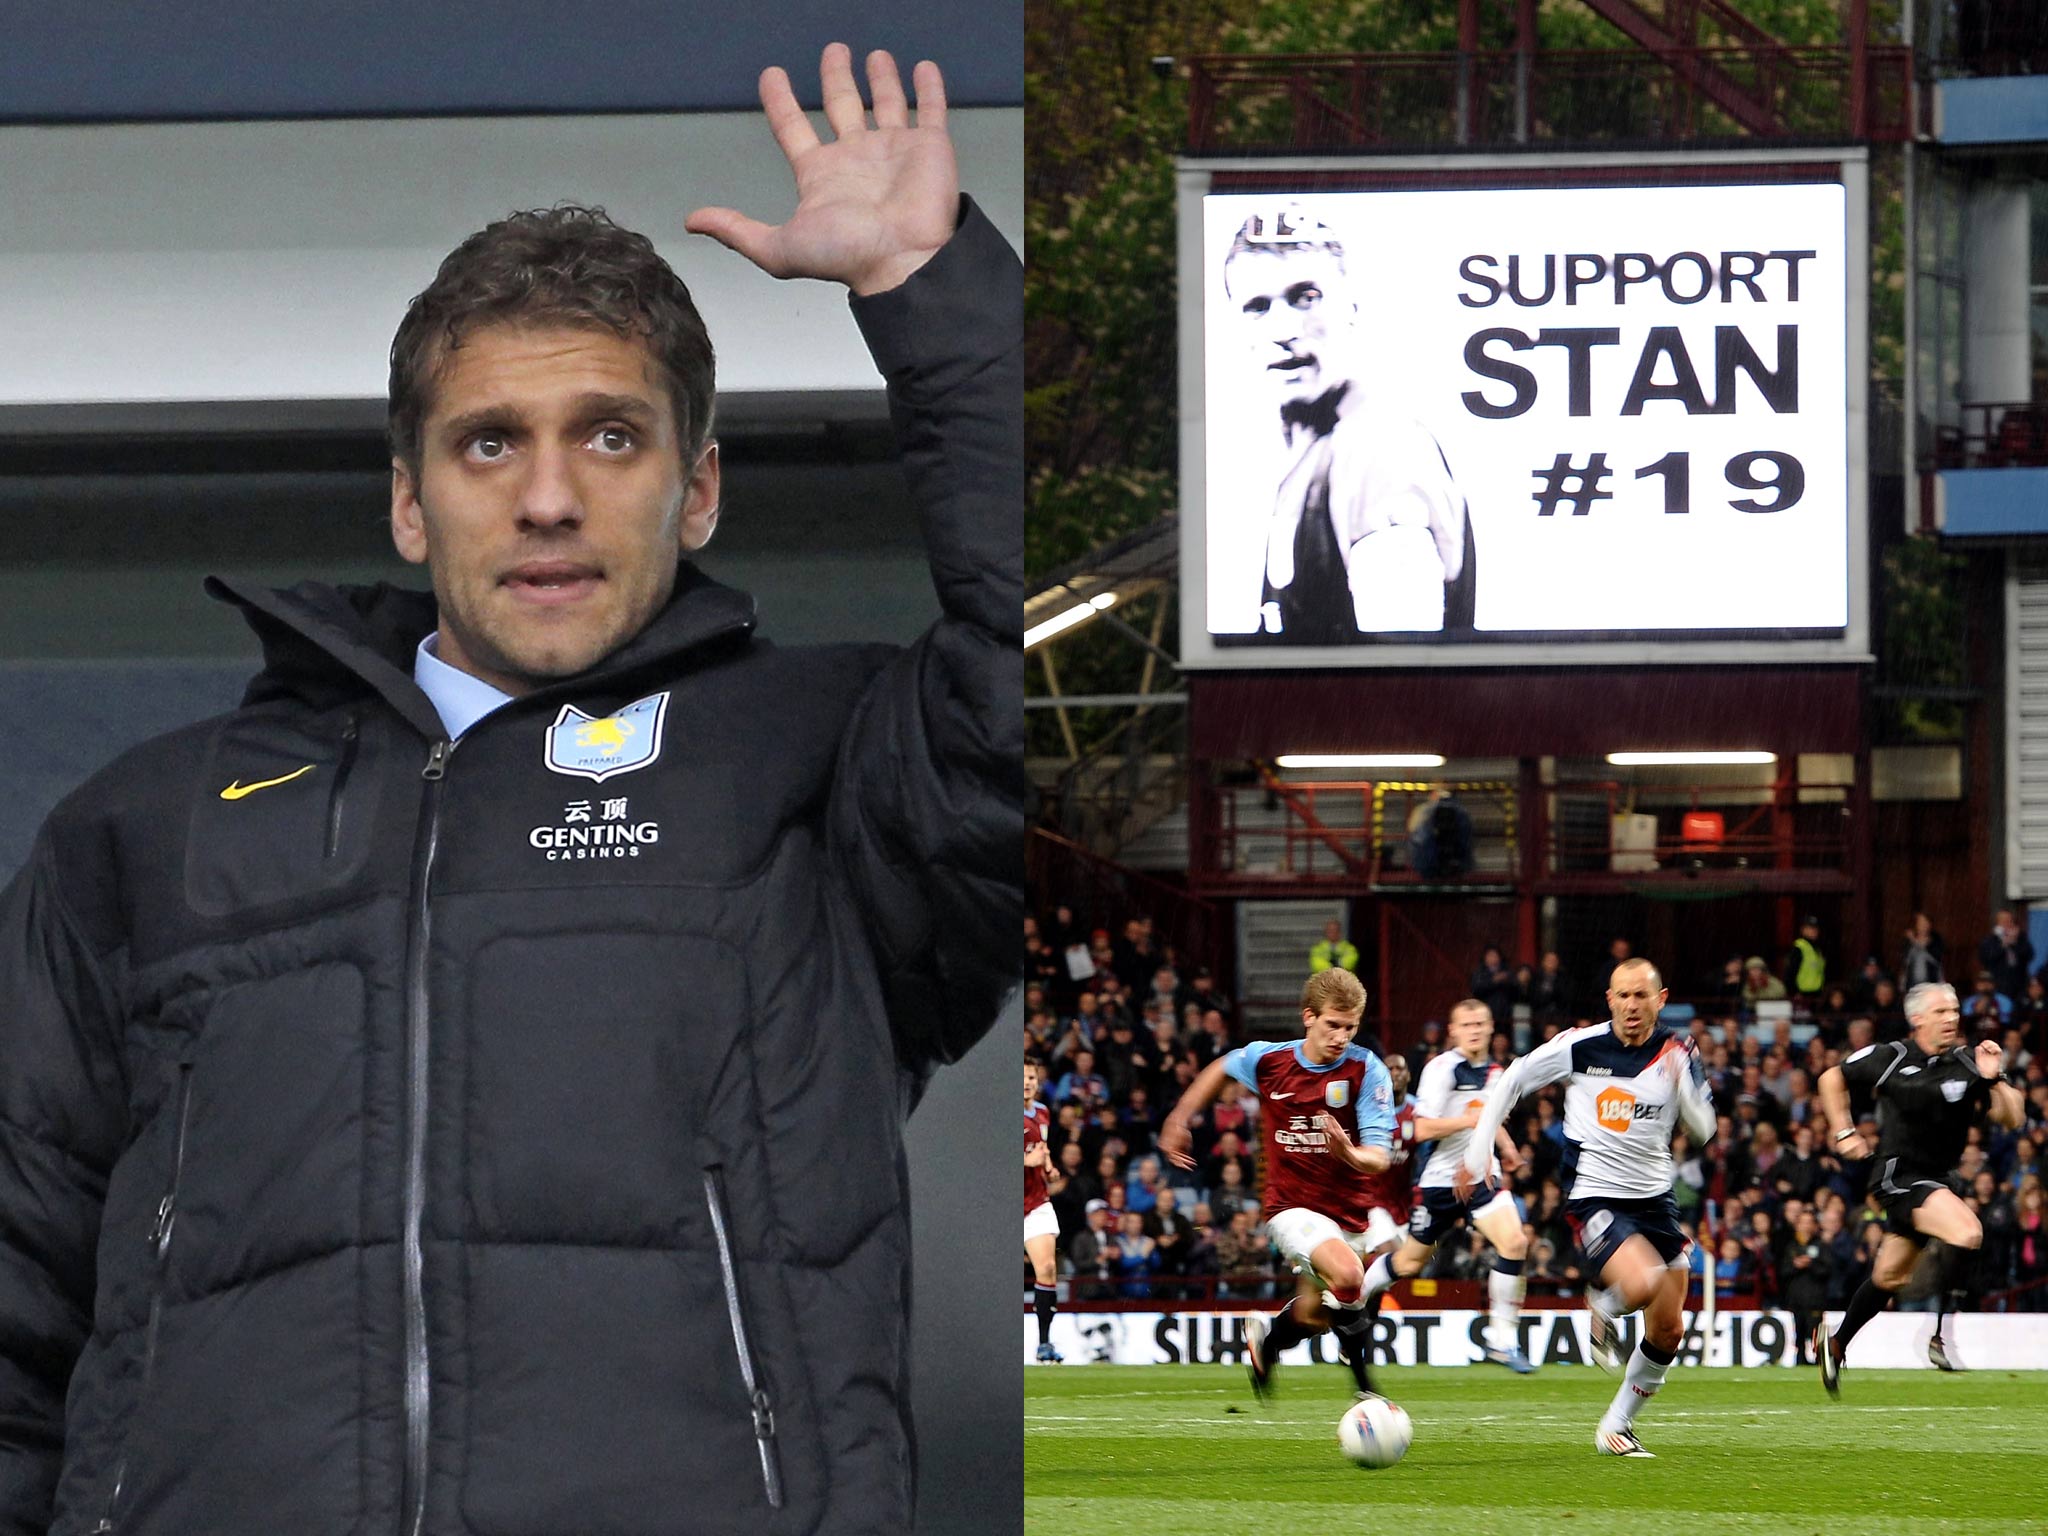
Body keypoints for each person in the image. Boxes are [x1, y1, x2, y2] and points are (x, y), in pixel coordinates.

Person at [0, 47, 1019, 1536]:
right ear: (411, 502)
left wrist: (933, 295)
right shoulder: (141, 830)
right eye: (491, 442)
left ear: (704, 486)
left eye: (612, 435)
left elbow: (1023, 689)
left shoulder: (834, 762)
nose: (550, 497)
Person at [1463, 959, 1717, 1457]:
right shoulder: (1581, 1046)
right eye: (1622, 996)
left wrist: (1683, 1088)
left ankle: (1616, 1427)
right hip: (1594, 1195)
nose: (1631, 1006)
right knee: (1641, 1283)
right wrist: (1479, 1149)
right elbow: (1514, 1077)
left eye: (1641, 997)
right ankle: (1602, 1306)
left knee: (1669, 1327)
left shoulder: (1678, 1050)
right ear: (1610, 998)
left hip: (1654, 1199)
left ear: (1660, 999)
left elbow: (1705, 1130)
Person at [1220, 206, 1476, 642]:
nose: (1282, 327)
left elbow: (1399, 662)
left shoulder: (1378, 448)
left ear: (1351, 307)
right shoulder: (1317, 450)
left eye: (1306, 297)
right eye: (1257, 307)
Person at [1159, 967, 1395, 1402]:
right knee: (1349, 1276)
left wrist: (1351, 1155)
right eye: (1332, 1025)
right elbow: (1223, 1065)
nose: (1341, 1036)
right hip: (1291, 1208)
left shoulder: (1367, 1071)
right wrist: (1179, 1116)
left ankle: (1268, 1342)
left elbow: (1380, 1154)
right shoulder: (1271, 1061)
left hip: (1348, 1212)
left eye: (1350, 1027)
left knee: (1313, 1315)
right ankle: (1367, 1391)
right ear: (1309, 1016)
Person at [1814, 982, 2026, 1391]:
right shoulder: (1890, 1057)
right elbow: (1830, 1078)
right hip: (1898, 1175)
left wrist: (1995, 1077)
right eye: (1942, 1011)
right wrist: (1844, 1132)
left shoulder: (1967, 1061)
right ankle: (1938, 1335)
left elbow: (2013, 1119)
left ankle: (1836, 1343)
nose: (1952, 1018)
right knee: (1968, 1232)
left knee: (1889, 1277)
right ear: (1917, 1019)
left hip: (1938, 1179)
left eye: (1954, 1011)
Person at [1358, 1000, 1536, 1372]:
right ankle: (1356, 1294)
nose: (1474, 1029)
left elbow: (1489, 1117)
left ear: (1491, 1029)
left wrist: (1507, 1149)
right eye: (1466, 1024)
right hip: (1439, 1181)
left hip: (1481, 1179)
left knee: (1515, 1241)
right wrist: (1468, 1122)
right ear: (1453, 1031)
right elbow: (1421, 1129)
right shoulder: (1441, 1069)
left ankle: (1501, 1340)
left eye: (1480, 1023)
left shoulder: (1496, 1073)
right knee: (1408, 1263)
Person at [1025, 1059, 1066, 1364]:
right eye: (1022, 1077)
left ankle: (1044, 1343)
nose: (1027, 1083)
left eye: (1031, 1077)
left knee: (1048, 1269)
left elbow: (1042, 1149)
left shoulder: (1042, 1113)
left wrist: (1049, 1168)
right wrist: (1026, 1163)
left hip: (1036, 1201)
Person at [1978, 909, 2034, 1004]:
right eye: (2005, 921)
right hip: (1999, 983)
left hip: (2020, 983)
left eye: (2010, 921)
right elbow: (1986, 958)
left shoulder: (2020, 938)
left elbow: (2029, 955)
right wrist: (2003, 945)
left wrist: (2015, 943)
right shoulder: (1990, 940)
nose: (2008, 924)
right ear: (1998, 923)